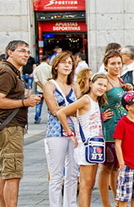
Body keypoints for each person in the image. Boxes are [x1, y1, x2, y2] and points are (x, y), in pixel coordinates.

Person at [0, 40, 42, 207]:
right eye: (21, 51)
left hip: (9, 127)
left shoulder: (11, 71)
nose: (26, 54)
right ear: (10, 52)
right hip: (9, 128)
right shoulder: (6, 72)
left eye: (27, 51)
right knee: (13, 174)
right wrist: (24, 102)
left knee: (6, 173)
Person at [57, 73, 107, 207]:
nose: (102, 88)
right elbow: (61, 112)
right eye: (99, 84)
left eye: (104, 85)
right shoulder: (85, 99)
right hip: (86, 145)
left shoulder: (97, 102)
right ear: (91, 84)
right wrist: (70, 133)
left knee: (90, 183)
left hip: (96, 145)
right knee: (85, 184)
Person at [43, 51, 79, 207]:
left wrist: (64, 109)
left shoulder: (74, 85)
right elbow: (54, 110)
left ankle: (70, 204)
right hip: (56, 132)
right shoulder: (49, 84)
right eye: (63, 62)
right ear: (56, 65)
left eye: (70, 63)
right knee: (56, 174)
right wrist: (70, 110)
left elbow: (81, 110)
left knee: (73, 174)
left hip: (75, 133)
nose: (66, 65)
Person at [98, 50, 132, 207]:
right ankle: (106, 203)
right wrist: (100, 116)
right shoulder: (103, 81)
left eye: (119, 63)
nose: (117, 66)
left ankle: (118, 201)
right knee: (107, 167)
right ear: (105, 65)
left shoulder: (120, 80)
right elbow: (90, 100)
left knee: (116, 168)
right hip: (110, 129)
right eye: (112, 63)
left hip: (123, 129)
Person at [33, 55, 52, 124]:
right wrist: (47, 86)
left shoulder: (37, 68)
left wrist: (42, 86)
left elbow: (36, 80)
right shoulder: (50, 68)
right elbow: (52, 78)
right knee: (50, 104)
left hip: (39, 89)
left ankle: (37, 118)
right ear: (47, 59)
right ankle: (50, 118)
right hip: (49, 89)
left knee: (38, 104)